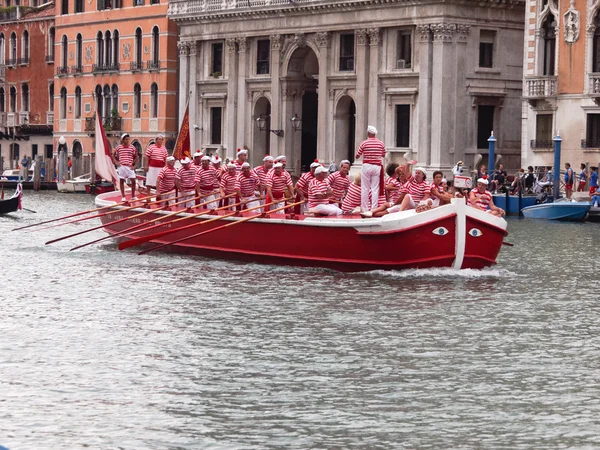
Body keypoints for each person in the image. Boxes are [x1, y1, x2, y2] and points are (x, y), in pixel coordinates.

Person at [355, 125, 386, 213]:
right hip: (377, 166)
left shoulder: (364, 143)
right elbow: (383, 155)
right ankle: (374, 208)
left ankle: (364, 208)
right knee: (375, 188)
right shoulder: (381, 143)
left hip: (367, 165)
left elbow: (357, 156)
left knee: (365, 187)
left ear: (368, 133)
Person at [112, 133, 139, 201]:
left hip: (129, 167)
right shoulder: (119, 147)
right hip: (122, 166)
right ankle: (123, 196)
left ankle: (133, 196)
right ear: (123, 140)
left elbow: (136, 157)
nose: (127, 141)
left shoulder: (132, 147)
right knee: (121, 181)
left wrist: (134, 165)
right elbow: (113, 155)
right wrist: (116, 162)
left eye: (128, 139)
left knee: (133, 180)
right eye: (126, 139)